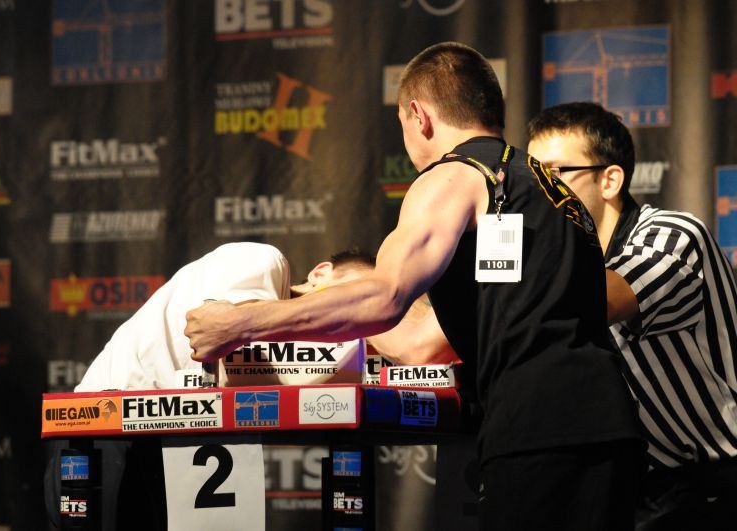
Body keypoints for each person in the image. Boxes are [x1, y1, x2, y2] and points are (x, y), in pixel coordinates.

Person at [185, 42, 643, 531]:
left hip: (538, 432)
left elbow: (384, 297)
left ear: (419, 116)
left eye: (402, 123)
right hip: (611, 427)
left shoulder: (453, 175)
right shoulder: (548, 189)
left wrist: (242, 323)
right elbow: (425, 341)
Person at [527, 101, 737, 530]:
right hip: (653, 489)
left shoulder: (673, 235)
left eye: (552, 175)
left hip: (725, 480)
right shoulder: (558, 264)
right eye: (529, 178)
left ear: (610, 180)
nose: (536, 192)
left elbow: (600, 298)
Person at [75, 241, 455, 391]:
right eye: (358, 292)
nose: (360, 310)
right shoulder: (261, 261)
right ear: (321, 272)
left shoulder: (339, 352)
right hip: (106, 428)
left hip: (173, 444)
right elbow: (232, 363)